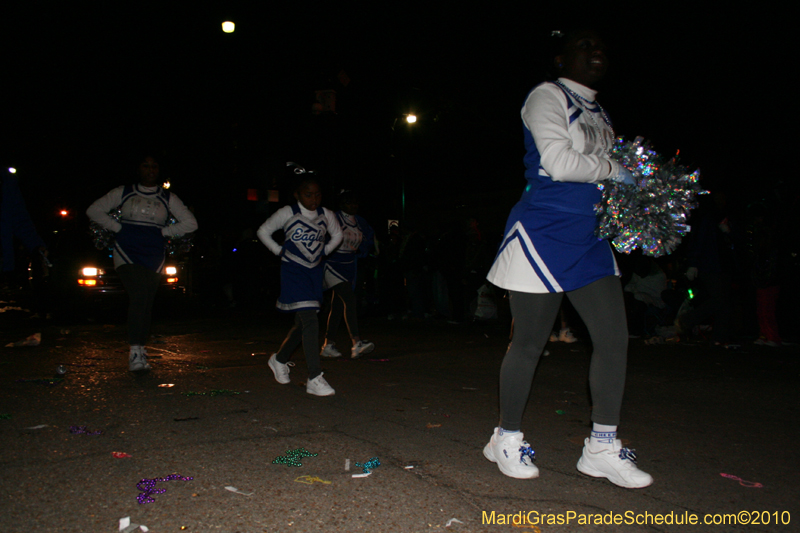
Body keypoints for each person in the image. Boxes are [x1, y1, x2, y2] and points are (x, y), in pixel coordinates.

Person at [482, 29, 653, 488]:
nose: (597, 52)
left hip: (590, 235)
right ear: (560, 59)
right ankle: (506, 436)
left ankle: (601, 446)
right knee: (530, 343)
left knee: (614, 339)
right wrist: (620, 171)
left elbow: (600, 175)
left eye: (602, 46)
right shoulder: (546, 95)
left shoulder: (600, 112)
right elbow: (559, 163)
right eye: (585, 46)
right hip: (544, 232)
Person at [86, 155, 198, 371]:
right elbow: (93, 210)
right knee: (138, 296)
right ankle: (134, 352)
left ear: (159, 170)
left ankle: (141, 351)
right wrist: (119, 229)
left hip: (154, 254)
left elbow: (191, 223)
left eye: (154, 166)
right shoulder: (124, 191)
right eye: (146, 166)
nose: (150, 170)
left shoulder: (168, 197)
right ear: (138, 169)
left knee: (146, 301)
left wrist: (164, 232)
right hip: (127, 251)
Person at [258, 174, 342, 396]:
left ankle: (279, 358)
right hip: (293, 272)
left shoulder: (326, 215)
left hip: (314, 273)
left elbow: (337, 235)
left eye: (317, 194)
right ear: (297, 194)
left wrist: (325, 250)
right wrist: (278, 251)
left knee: (303, 324)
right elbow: (263, 231)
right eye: (308, 194)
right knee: (310, 321)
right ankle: (314, 377)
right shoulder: (288, 212)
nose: (313, 199)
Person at [319, 190, 376, 359]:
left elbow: (368, 240)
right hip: (332, 266)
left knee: (337, 306)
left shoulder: (360, 221)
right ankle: (356, 342)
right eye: (349, 203)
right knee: (350, 299)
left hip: (349, 266)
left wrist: (363, 250)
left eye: (355, 203)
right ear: (341, 204)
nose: (353, 206)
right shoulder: (333, 219)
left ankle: (328, 345)